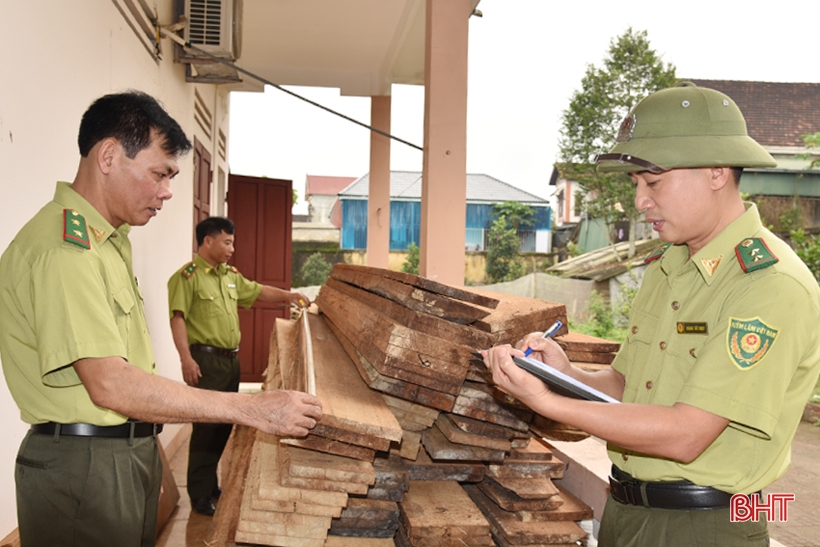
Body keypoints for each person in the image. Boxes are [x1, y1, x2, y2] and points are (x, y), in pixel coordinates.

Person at [483, 82, 820, 547]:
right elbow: (628, 387)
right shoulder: (669, 268)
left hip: (705, 526)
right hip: (627, 510)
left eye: (654, 181)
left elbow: (687, 434)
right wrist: (566, 373)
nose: (641, 201)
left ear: (717, 172)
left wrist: (548, 403)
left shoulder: (767, 284)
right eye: (637, 184)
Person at [0, 91, 322, 547]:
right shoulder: (65, 250)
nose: (168, 191)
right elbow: (110, 384)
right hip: (85, 466)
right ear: (109, 156)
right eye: (160, 174)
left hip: (120, 451)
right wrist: (252, 408)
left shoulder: (108, 243)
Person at [168, 216, 311, 516]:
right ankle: (198, 493)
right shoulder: (187, 277)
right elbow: (177, 318)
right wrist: (185, 358)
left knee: (224, 426)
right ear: (208, 240)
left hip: (231, 361)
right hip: (204, 361)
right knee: (206, 428)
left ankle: (210, 484)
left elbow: (258, 292)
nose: (232, 248)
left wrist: (290, 295)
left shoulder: (229, 276)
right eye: (227, 241)